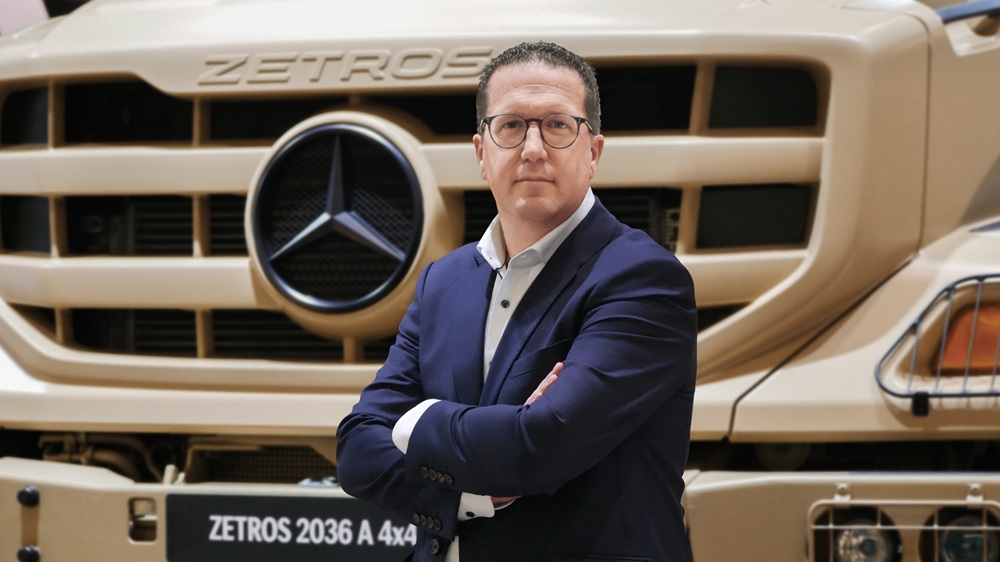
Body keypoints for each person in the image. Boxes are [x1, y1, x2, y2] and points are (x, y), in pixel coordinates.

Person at [336, 41, 697, 562]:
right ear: (481, 154)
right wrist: (477, 491)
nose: (532, 148)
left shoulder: (642, 279)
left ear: (593, 153)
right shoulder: (443, 282)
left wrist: (416, 422)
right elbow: (356, 451)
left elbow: (543, 445)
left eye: (557, 125)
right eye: (509, 126)